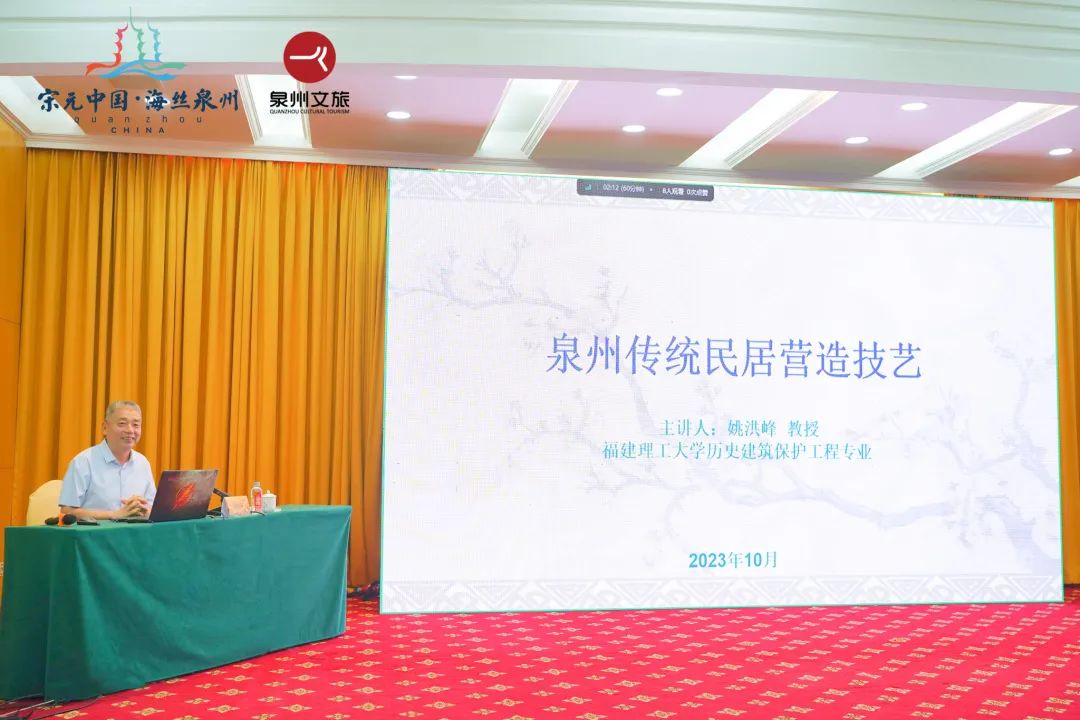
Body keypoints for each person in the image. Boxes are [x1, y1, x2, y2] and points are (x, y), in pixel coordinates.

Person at [58, 401, 157, 521]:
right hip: (96, 532)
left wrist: (144, 509)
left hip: (135, 532)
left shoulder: (143, 463)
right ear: (105, 428)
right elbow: (67, 511)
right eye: (122, 423)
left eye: (136, 425)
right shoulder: (83, 462)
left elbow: (153, 508)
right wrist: (114, 514)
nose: (130, 430)